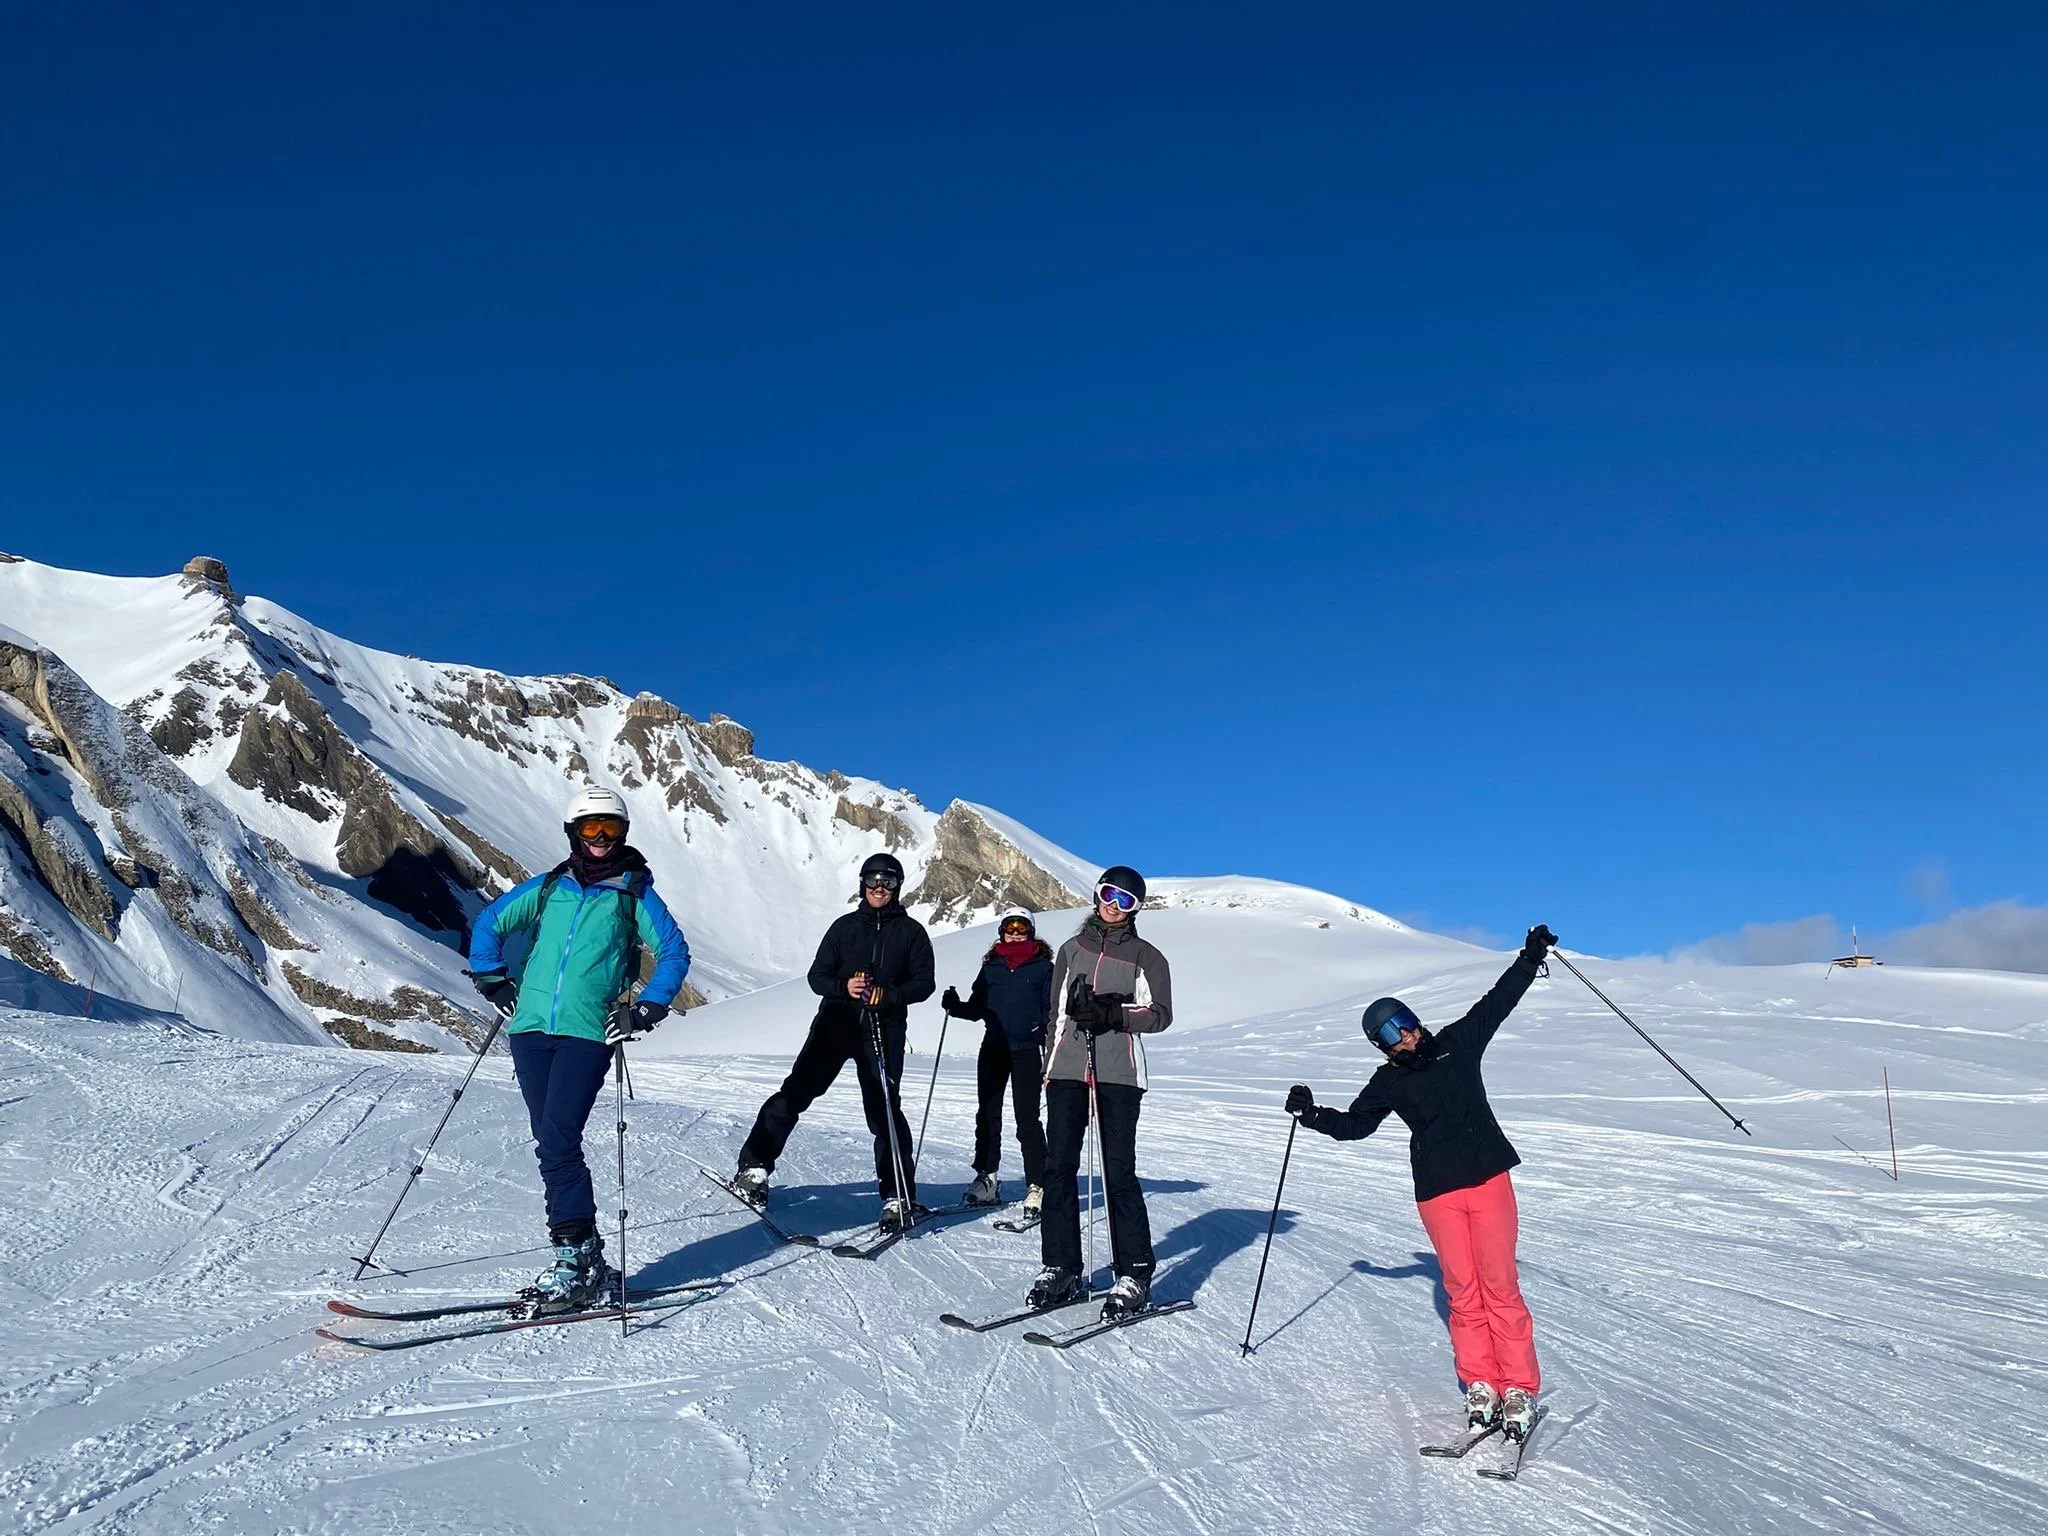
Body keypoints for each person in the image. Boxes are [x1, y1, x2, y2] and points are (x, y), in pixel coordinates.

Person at [1285, 924, 1559, 1443]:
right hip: (1436, 1193)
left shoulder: (1459, 1042)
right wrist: (1312, 1114)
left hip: (1488, 1179)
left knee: (1499, 1285)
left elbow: (1497, 1001)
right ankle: (1480, 1382)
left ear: (1417, 1021)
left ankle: (1518, 1386)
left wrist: (1530, 957)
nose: (1405, 1036)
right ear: (1380, 1047)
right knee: (1461, 1289)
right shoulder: (1388, 1082)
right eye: (1391, 1035)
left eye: (1406, 1024)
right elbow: (1356, 1126)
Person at [468, 785, 690, 1310]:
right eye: (589, 828)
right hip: (528, 1030)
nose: (599, 838)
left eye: (609, 829)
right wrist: (491, 978)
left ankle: (572, 1256)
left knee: (560, 1137)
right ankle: (586, 1253)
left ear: (623, 834)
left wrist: (648, 1007)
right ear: (573, 833)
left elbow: (673, 952)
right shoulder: (549, 888)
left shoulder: (634, 894)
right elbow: (490, 922)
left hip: (590, 1033)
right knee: (550, 1140)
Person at [735, 852, 936, 1230]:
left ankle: (897, 1195)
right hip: (835, 1023)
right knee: (795, 1093)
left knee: (885, 1110)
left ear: (898, 887)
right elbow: (816, 977)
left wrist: (889, 995)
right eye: (874, 880)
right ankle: (755, 1166)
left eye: (888, 881)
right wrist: (844, 987)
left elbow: (924, 983)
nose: (880, 888)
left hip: (883, 1029)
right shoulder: (844, 928)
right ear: (862, 884)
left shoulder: (911, 933)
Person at [1027, 865, 1173, 1320]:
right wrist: (1048, 1069)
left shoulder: (1148, 957)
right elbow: (1054, 1014)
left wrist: (1116, 1015)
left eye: (1126, 900)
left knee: (1117, 1172)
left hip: (1119, 1073)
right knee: (1059, 1169)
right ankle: (1062, 1266)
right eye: (1110, 894)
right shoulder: (1071, 950)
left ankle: (1133, 1271)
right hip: (1068, 1069)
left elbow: (1161, 1013)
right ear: (1096, 894)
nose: (1114, 904)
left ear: (1136, 909)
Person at [941, 912, 1053, 1213]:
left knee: (1027, 1119)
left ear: (1031, 932)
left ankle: (1037, 1184)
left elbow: (1050, 1012)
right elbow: (978, 1009)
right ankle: (987, 1178)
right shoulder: (991, 967)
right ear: (1001, 932)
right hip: (993, 1047)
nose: (1015, 934)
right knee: (987, 1114)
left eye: (1022, 929)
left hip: (1027, 1049)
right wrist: (956, 1007)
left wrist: (1048, 1046)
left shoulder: (1044, 968)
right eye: (1009, 929)